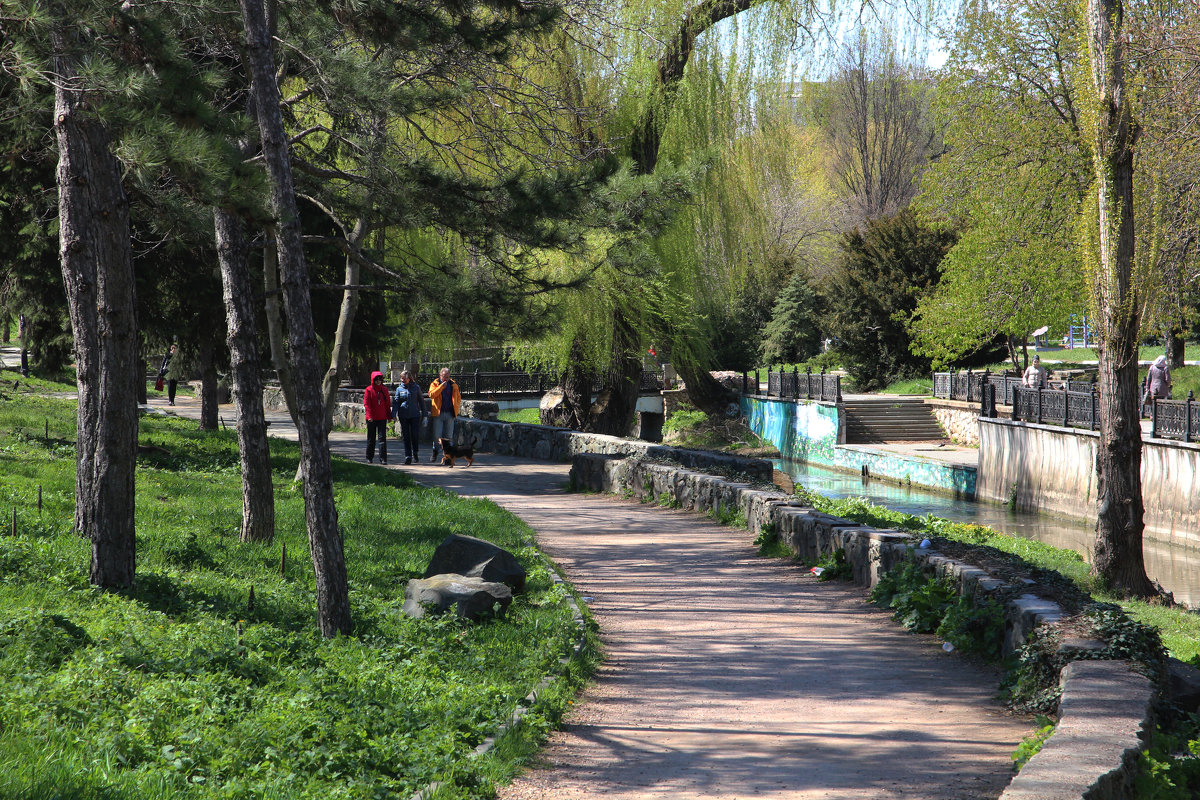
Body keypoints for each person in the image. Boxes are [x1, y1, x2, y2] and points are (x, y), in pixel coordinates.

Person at [392, 369, 427, 465]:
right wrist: (393, 414)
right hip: (403, 415)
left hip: (414, 415)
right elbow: (396, 402)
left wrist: (425, 415)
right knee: (406, 436)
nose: (402, 380)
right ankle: (408, 456)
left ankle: (415, 452)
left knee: (414, 435)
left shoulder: (416, 388)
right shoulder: (399, 389)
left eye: (404, 379)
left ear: (409, 379)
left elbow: (421, 401)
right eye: (401, 378)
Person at [427, 367, 461, 462]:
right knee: (437, 436)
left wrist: (456, 406)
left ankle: (448, 457)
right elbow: (431, 395)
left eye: (448, 377)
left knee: (448, 436)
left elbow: (458, 397)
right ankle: (435, 451)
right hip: (438, 413)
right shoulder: (435, 383)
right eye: (444, 376)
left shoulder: (453, 384)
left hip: (450, 413)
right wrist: (441, 386)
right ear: (440, 375)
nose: (446, 379)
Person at [363, 371, 393, 464]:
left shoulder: (384, 390)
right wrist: (369, 416)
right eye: (376, 379)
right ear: (373, 380)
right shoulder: (369, 390)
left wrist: (389, 416)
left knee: (382, 439)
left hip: (382, 417)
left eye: (380, 379)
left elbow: (387, 404)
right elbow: (367, 404)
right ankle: (369, 457)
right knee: (371, 439)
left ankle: (383, 458)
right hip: (371, 418)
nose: (378, 381)